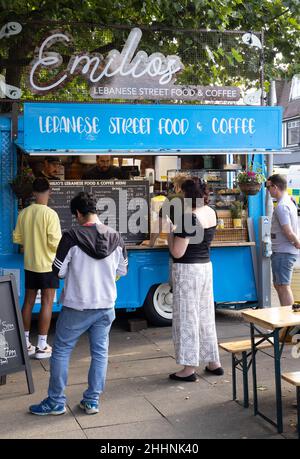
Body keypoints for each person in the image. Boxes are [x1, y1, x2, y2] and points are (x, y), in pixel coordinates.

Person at [29, 192, 128, 416]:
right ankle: (92, 401)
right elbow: (122, 270)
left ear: (77, 213)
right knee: (100, 353)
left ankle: (55, 401)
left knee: (62, 351)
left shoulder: (71, 237)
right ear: (95, 210)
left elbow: (59, 271)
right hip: (105, 306)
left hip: (77, 305)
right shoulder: (116, 236)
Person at [167, 178, 223, 381]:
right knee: (205, 314)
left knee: (187, 317)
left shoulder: (188, 218)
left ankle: (188, 368)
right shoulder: (211, 212)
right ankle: (213, 362)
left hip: (188, 270)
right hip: (206, 267)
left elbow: (177, 252)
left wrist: (170, 232)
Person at [13, 178, 62, 359]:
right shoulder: (51, 215)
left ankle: (25, 344)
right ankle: (42, 346)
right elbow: (54, 243)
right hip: (48, 265)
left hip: (30, 264)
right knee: (47, 303)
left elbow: (17, 239)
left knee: (28, 302)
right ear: (49, 191)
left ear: (33, 193)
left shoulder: (24, 213)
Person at [267, 174, 300, 306]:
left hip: (283, 252)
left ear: (275, 187)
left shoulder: (282, 206)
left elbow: (288, 231)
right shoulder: (287, 202)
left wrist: (297, 243)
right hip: (282, 251)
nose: (268, 190)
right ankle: (286, 319)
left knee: (283, 286)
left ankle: (288, 322)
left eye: (268, 187)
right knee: (279, 285)